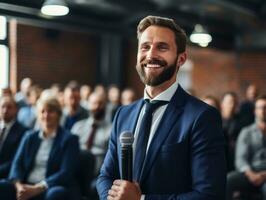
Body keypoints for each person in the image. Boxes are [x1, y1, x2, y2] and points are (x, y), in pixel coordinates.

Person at [96, 15, 226, 200]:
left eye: (162, 47)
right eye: (145, 47)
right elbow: (105, 176)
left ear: (181, 59)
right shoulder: (123, 114)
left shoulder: (202, 117)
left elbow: (209, 195)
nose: (151, 55)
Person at [0, 96, 81, 200]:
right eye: (42, 111)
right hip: (25, 185)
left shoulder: (70, 139)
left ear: (58, 114)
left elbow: (66, 173)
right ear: (38, 115)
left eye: (50, 111)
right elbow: (17, 163)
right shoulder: (29, 136)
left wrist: (37, 188)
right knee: (2, 185)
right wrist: (18, 186)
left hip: (50, 187)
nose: (46, 115)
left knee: (55, 194)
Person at [226, 95, 266, 200]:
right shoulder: (246, 132)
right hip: (250, 173)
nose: (262, 110)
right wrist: (251, 174)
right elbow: (240, 159)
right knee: (228, 180)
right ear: (255, 111)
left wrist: (264, 175)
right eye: (260, 107)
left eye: (265, 107)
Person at [0, 96, 27, 179]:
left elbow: (15, 161)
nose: (5, 110)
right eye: (3, 107)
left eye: (9, 107)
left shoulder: (23, 132)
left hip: (6, 176)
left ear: (16, 110)